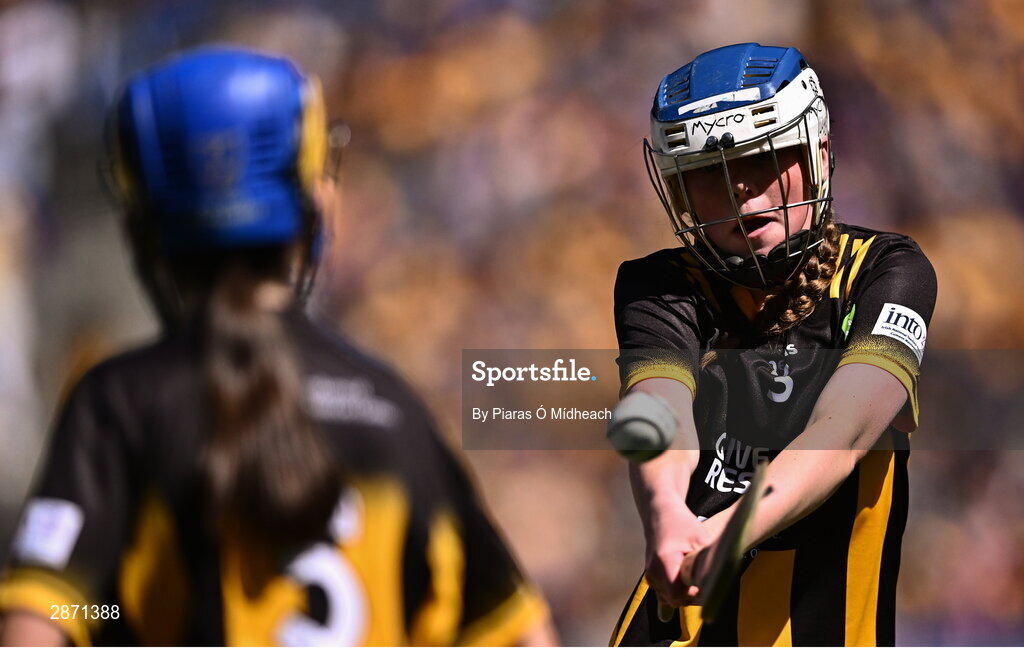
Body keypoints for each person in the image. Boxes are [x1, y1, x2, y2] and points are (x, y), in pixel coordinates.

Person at [0, 47, 553, 647]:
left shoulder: (120, 404)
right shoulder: (395, 412)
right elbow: (523, 635)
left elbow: (38, 623)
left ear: (146, 222)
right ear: (308, 202)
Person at [608, 43, 936, 646]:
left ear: (817, 154)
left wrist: (728, 532)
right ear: (679, 193)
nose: (739, 193)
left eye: (762, 158)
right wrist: (665, 511)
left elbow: (842, 435)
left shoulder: (889, 271)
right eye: (709, 173)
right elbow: (660, 406)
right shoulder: (657, 285)